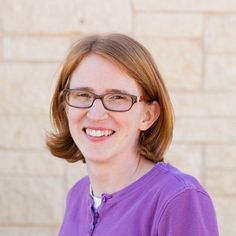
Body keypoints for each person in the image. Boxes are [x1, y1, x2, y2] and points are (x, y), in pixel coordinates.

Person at [46, 33, 219, 236]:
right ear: (64, 106)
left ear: (148, 115)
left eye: (117, 97)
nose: (96, 114)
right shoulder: (78, 195)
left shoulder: (177, 199)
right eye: (83, 95)